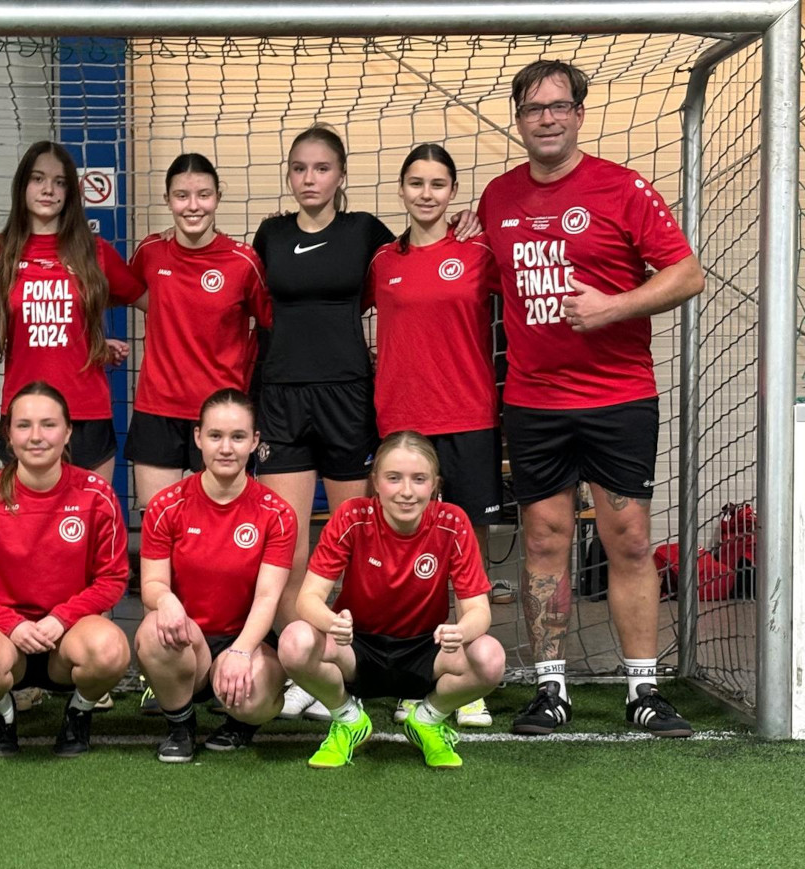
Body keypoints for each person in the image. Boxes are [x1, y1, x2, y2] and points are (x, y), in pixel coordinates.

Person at [476, 59, 705, 736]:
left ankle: (643, 689)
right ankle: (550, 691)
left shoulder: (622, 188)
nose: (546, 118)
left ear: (579, 113)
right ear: (518, 120)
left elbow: (687, 273)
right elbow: (486, 276)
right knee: (544, 543)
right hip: (534, 401)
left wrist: (615, 307)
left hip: (618, 397)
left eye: (558, 106)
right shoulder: (497, 197)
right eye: (533, 109)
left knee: (628, 540)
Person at [253, 125, 477, 720]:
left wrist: (468, 231)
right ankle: (306, 671)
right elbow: (253, 319)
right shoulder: (270, 236)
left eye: (322, 169)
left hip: (350, 397)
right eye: (299, 168)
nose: (310, 179)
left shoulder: (367, 236)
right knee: (291, 544)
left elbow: (422, 264)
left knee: (353, 544)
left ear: (342, 176)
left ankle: (358, 669)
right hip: (281, 399)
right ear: (289, 174)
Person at [365, 143, 503, 729]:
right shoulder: (380, 263)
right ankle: (408, 677)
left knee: (464, 559)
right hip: (401, 423)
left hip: (469, 417)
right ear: (401, 190)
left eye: (439, 184)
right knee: (407, 559)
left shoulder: (478, 252)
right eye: (416, 183)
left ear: (453, 192)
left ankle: (462, 679)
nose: (427, 193)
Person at [278, 431, 505, 769]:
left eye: (419, 479)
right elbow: (308, 598)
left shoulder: (453, 522)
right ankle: (348, 719)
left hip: (425, 651)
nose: (406, 491)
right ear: (376, 482)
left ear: (435, 484)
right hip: (357, 647)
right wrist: (332, 623)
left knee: (490, 657)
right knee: (294, 641)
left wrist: (462, 631)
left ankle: (427, 720)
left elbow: (478, 612)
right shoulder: (352, 517)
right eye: (394, 478)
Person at [0, 382, 130, 757]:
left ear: (67, 433)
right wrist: (12, 624)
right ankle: (2, 713)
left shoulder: (96, 495)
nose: (36, 437)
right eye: (24, 426)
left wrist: (61, 619)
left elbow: (112, 579)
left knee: (111, 650)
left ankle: (79, 711)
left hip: (66, 639)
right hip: (4, 638)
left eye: (48, 425)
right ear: (8, 437)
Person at [135, 389, 296, 763]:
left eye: (238, 437)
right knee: (152, 632)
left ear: (255, 442)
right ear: (198, 438)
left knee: (258, 697)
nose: (226, 448)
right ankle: (181, 725)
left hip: (245, 640)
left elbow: (268, 597)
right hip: (187, 640)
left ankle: (241, 723)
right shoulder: (166, 505)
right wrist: (166, 601)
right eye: (215, 436)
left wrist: (241, 649)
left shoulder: (277, 514)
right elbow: (152, 584)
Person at [0, 141, 145, 482]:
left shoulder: (94, 252)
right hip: (23, 412)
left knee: (88, 526)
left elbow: (158, 303)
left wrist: (90, 340)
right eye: (38, 179)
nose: (48, 189)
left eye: (59, 181)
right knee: (25, 529)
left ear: (70, 192)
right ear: (22, 185)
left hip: (86, 411)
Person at [126, 153, 273, 509]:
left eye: (203, 195)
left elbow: (270, 326)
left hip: (220, 413)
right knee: (158, 526)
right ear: (167, 200)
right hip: (157, 409)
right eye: (181, 196)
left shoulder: (243, 261)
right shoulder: (150, 251)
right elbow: (131, 296)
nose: (193, 206)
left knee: (216, 530)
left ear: (217, 198)